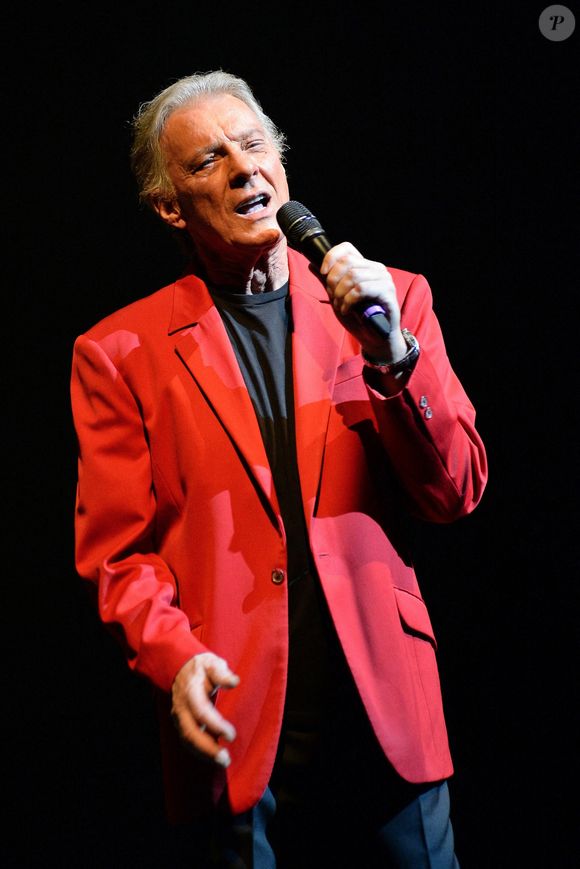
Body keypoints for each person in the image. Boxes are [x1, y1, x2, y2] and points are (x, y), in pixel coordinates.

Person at [70, 70, 487, 868]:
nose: (243, 168)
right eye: (208, 161)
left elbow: (456, 489)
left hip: (387, 712)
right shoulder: (118, 352)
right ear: (169, 206)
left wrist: (394, 354)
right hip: (235, 724)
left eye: (255, 145)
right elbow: (117, 556)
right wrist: (177, 657)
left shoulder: (393, 299)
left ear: (282, 164)